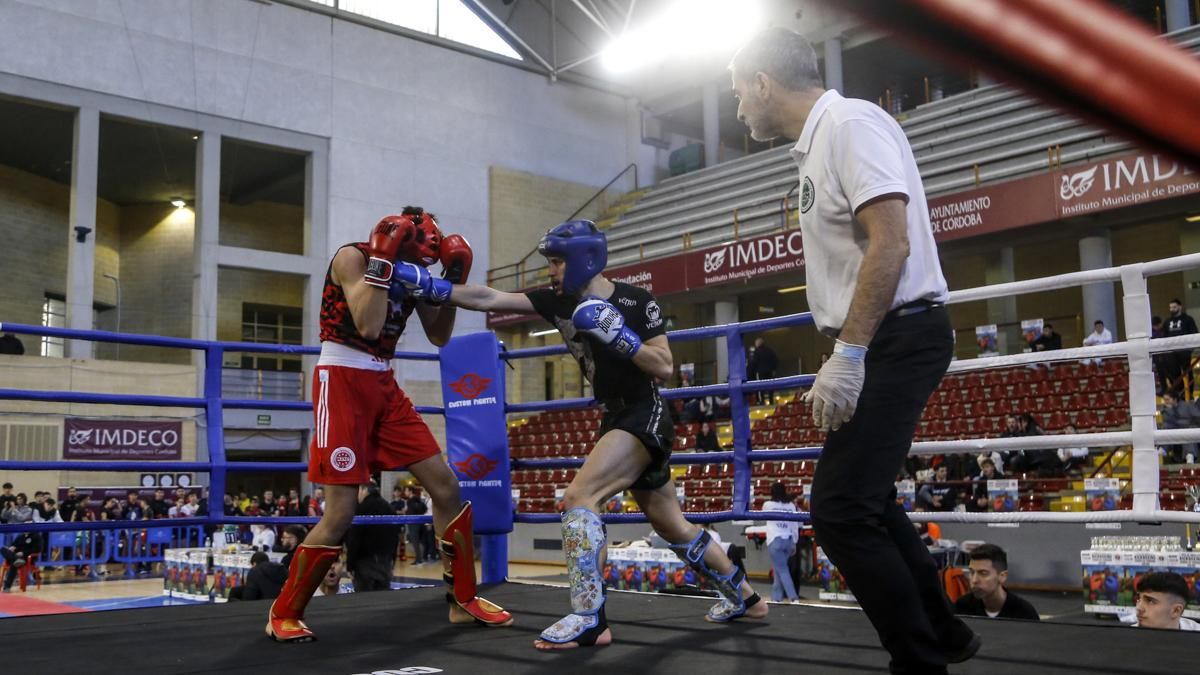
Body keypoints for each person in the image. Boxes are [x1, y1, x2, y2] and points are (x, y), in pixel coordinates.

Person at [730, 27, 977, 673]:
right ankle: (944, 632)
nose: (738, 110)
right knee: (866, 499)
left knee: (839, 511)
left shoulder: (848, 124)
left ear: (763, 83)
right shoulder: (820, 141)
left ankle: (919, 659)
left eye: (739, 93)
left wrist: (851, 352)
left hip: (898, 333)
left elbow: (890, 242)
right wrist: (847, 346)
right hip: (879, 335)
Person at [438, 218, 767, 649]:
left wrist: (621, 338)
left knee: (579, 497)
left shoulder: (636, 301)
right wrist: (429, 287)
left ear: (583, 259)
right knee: (672, 525)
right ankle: (747, 599)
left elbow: (664, 366)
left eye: (557, 262)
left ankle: (589, 618)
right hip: (615, 417)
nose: (551, 270)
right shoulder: (557, 300)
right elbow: (487, 297)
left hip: (643, 412)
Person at [266, 207, 511, 643]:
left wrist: (451, 281)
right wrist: (382, 260)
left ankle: (462, 600)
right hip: (341, 379)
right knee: (341, 512)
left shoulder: (414, 274)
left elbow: (439, 335)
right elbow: (368, 324)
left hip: (383, 383)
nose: (426, 262)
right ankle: (284, 612)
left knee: (445, 486)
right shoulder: (352, 258)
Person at [954, 544, 1040, 620]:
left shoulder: (1024, 613)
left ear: (1002, 576)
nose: (974, 580)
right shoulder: (961, 607)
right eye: (972, 572)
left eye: (983, 573)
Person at [346, 482, 401, 592]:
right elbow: (395, 536)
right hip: (385, 562)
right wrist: (393, 559)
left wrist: (350, 564)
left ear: (364, 490)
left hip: (364, 562)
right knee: (382, 597)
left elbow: (354, 538)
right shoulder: (389, 508)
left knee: (364, 598)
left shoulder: (361, 508)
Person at [761, 482, 801, 603]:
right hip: (788, 540)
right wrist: (794, 542)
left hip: (775, 540)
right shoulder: (791, 505)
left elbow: (762, 517)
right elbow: (795, 525)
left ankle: (793, 598)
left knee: (782, 570)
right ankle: (776, 598)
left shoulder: (767, 505)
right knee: (779, 570)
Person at [1132, 571, 1200, 630]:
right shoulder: (1127, 635)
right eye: (1139, 598)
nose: (1139, 608)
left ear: (1176, 610)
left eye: (1150, 601)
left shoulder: (1196, 634)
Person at [1163, 299, 1198, 389]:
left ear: (1180, 307)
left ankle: (1189, 392)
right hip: (1171, 352)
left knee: (1187, 372)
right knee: (1173, 372)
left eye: (1174, 307)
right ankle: (1178, 392)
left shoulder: (1188, 319)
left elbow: (1194, 333)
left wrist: (1190, 349)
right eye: (1170, 307)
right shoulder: (1167, 321)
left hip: (1184, 350)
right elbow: (1164, 335)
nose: (1172, 309)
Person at [747, 337, 780, 404]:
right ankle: (771, 401)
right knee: (770, 386)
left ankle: (762, 401)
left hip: (760, 372)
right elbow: (775, 360)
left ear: (758, 344)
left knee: (760, 387)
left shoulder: (757, 351)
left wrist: (750, 371)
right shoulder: (770, 350)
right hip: (769, 372)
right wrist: (773, 369)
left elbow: (754, 362)